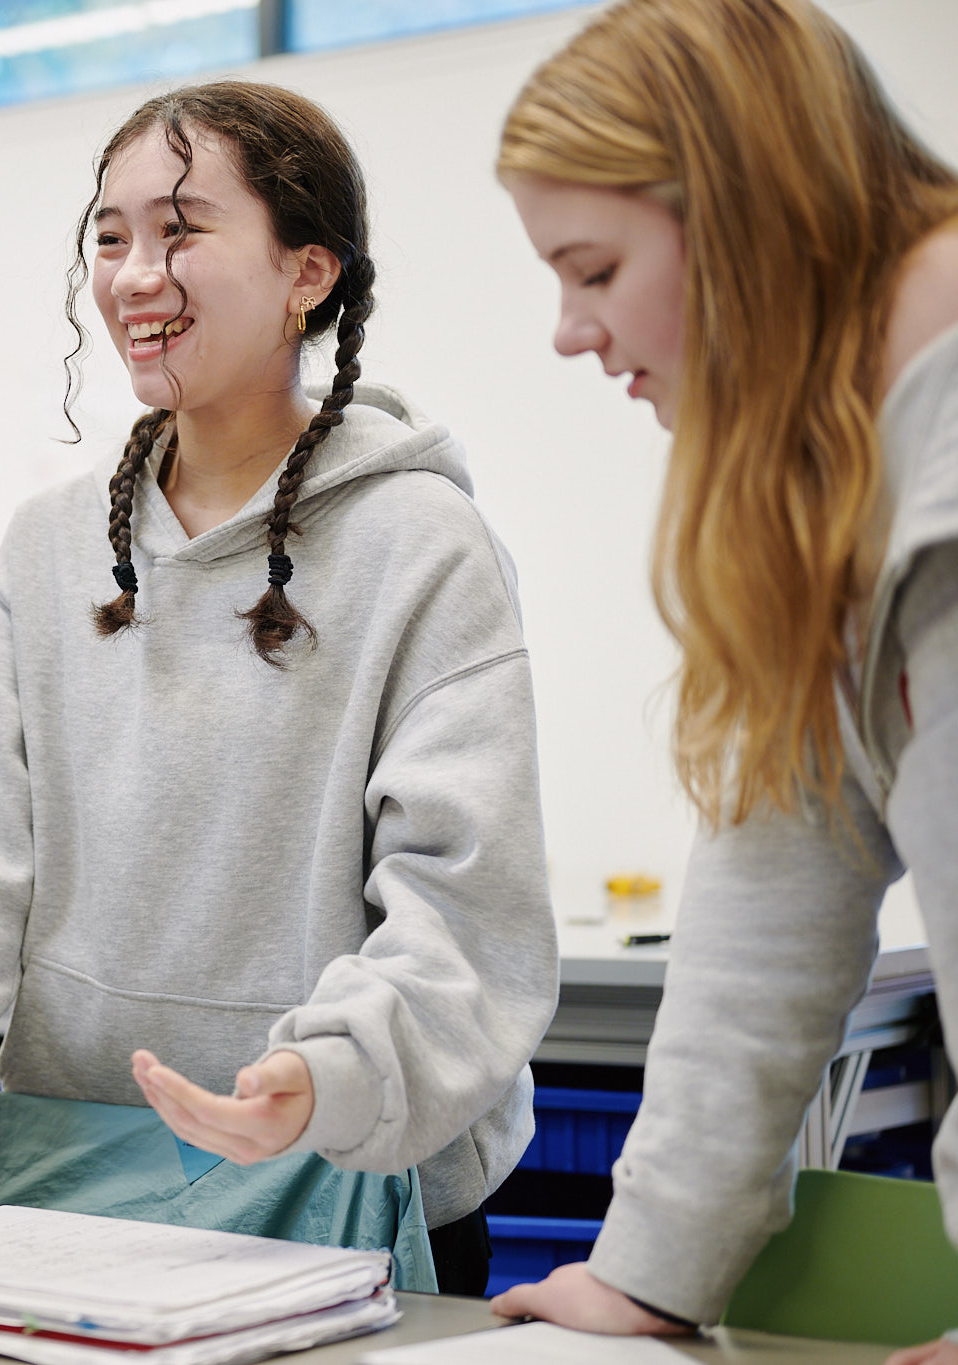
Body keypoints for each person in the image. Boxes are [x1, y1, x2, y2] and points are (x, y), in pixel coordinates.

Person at [0, 79, 558, 1296]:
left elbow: (465, 918)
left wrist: (326, 1079)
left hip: (348, 1184)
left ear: (309, 273)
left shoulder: (422, 544)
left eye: (182, 230)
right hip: (64, 1185)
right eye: (110, 236)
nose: (132, 275)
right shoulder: (49, 549)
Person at [489, 0, 958, 1358]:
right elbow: (773, 907)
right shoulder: (830, 487)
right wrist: (648, 1273)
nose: (573, 332)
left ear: (746, 213)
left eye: (593, 268)